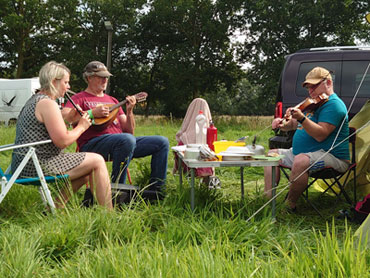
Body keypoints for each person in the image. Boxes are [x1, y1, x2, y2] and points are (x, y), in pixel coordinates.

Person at [11, 61, 113, 210]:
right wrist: (82, 127)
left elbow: (51, 126)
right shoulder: (48, 103)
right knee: (97, 160)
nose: (68, 86)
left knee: (86, 168)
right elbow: (63, 141)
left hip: (23, 164)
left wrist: (71, 118)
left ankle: (54, 208)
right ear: (54, 82)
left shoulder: (35, 100)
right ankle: (109, 215)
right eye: (66, 82)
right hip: (37, 165)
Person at [62, 61, 169, 199]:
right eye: (101, 76)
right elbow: (65, 117)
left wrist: (130, 111)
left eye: (106, 76)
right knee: (126, 140)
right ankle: (116, 191)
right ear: (89, 78)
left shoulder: (112, 100)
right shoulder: (79, 98)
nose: (105, 79)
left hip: (123, 143)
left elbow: (128, 130)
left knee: (162, 142)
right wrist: (93, 112)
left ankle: (156, 192)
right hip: (93, 145)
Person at [264, 66, 350, 211]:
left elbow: (321, 134)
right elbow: (292, 125)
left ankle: (289, 204)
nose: (310, 92)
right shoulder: (314, 105)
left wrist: (302, 118)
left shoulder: (334, 105)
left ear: (328, 82)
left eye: (314, 87)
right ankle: (267, 201)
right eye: (308, 88)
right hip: (300, 153)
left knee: (301, 160)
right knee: (270, 155)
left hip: (333, 157)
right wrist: (281, 124)